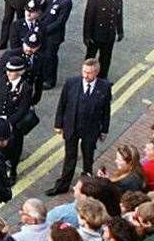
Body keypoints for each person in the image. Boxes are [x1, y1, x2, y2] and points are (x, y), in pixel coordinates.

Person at [48, 59, 112, 196]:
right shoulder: (71, 82)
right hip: (72, 126)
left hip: (91, 129)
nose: (86, 75)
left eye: (89, 73)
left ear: (96, 72)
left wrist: (104, 130)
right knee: (70, 156)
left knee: (88, 157)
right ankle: (62, 185)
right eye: (84, 71)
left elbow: (106, 111)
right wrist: (58, 124)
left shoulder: (105, 87)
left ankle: (87, 185)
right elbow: (62, 104)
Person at [0, 56, 35, 183]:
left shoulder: (25, 88)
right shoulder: (2, 80)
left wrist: (8, 123)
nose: (9, 73)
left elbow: (22, 110)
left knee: (14, 148)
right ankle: (1, 168)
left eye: (12, 71)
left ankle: (13, 170)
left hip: (14, 125)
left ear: (20, 72)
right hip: (0, 121)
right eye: (8, 71)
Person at [82, 0, 124, 80]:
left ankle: (102, 79)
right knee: (90, 58)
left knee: (105, 59)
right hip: (95, 36)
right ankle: (86, 77)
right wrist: (86, 36)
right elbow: (88, 19)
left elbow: (119, 15)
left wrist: (120, 31)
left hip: (109, 35)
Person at [39, 0, 73, 90]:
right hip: (44, 31)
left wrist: (45, 30)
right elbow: (42, 10)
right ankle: (42, 76)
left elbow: (60, 22)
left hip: (53, 35)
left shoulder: (66, 1)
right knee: (43, 55)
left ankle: (50, 80)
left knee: (50, 57)